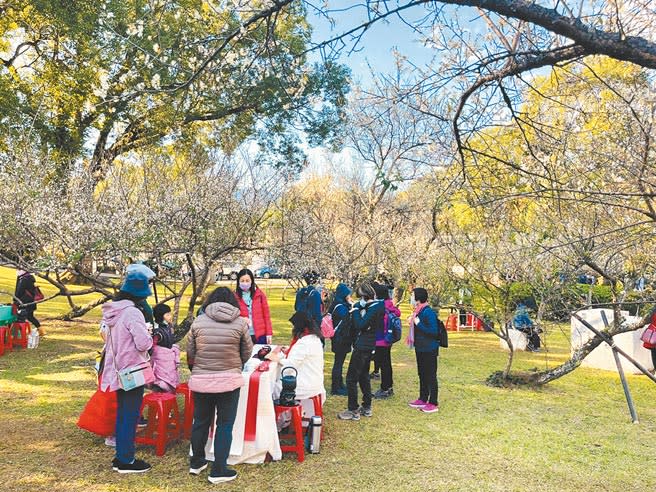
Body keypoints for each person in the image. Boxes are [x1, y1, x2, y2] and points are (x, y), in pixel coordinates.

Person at [187, 287, 253, 484]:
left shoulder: (198, 322)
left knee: (200, 421)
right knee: (224, 424)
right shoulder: (240, 323)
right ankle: (219, 468)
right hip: (229, 380)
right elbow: (247, 351)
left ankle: (197, 461)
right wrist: (234, 364)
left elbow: (190, 352)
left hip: (202, 380)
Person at [100, 266, 154, 473]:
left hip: (116, 368)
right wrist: (150, 335)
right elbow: (142, 344)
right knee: (130, 415)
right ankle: (126, 460)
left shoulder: (114, 310)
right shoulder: (132, 312)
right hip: (132, 370)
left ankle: (121, 456)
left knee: (124, 413)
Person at [337, 282, 383, 421]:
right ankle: (367, 406)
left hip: (363, 346)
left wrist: (355, 310)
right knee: (363, 376)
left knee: (351, 378)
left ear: (364, 296)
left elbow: (360, 324)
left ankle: (353, 410)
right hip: (367, 346)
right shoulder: (373, 306)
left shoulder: (374, 308)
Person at [267, 311, 326, 412]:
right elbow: (301, 357)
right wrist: (289, 352)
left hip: (305, 384)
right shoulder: (314, 339)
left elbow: (291, 366)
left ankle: (278, 422)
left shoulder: (304, 343)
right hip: (315, 381)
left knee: (271, 389)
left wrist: (277, 359)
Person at [406, 288, 440, 413]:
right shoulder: (418, 311)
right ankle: (423, 398)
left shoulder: (428, 312)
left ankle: (433, 402)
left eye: (412, 295)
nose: (411, 297)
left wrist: (418, 323)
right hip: (420, 348)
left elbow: (433, 332)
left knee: (430, 375)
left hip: (429, 349)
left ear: (418, 298)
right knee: (422, 374)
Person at [372, 283, 401, 399]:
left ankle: (384, 389)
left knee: (383, 364)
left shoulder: (379, 307)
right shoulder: (390, 305)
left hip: (380, 340)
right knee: (387, 364)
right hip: (388, 339)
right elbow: (397, 313)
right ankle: (388, 387)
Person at [234, 269, 273, 345]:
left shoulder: (260, 295)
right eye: (242, 281)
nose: (245, 283)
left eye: (247, 280)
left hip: (260, 335)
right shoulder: (233, 296)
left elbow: (267, 316)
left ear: (252, 281)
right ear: (238, 281)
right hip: (242, 335)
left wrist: (269, 333)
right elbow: (231, 316)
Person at [329, 283, 353, 396]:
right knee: (338, 363)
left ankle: (339, 384)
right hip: (341, 338)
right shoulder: (341, 307)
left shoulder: (336, 304)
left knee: (339, 362)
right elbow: (346, 321)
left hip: (338, 337)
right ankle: (336, 387)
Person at [15, 270, 44, 337]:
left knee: (20, 318)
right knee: (30, 317)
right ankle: (41, 331)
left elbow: (19, 292)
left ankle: (18, 335)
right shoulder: (29, 277)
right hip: (31, 301)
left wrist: (15, 300)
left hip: (24, 302)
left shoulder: (23, 279)